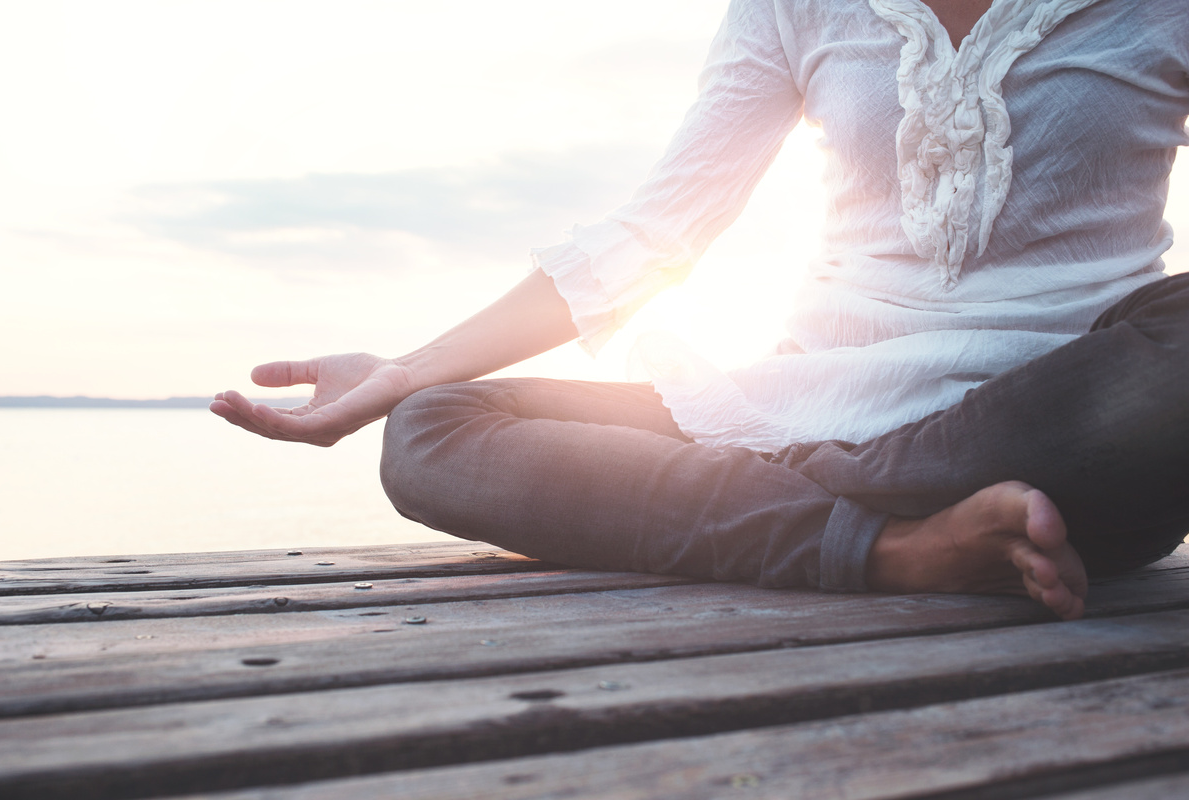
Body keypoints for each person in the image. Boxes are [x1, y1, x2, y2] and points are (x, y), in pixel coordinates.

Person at [212, 0, 1189, 622]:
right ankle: (897, 547)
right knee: (433, 427)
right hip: (818, 403)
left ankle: (830, 496)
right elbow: (656, 230)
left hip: (1062, 423)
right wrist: (405, 371)